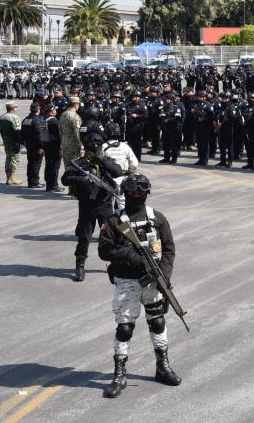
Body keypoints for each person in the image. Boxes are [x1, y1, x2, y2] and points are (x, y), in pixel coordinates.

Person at [97, 173, 181, 397]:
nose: (138, 195)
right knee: (125, 328)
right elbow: (103, 250)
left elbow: (169, 249)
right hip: (127, 281)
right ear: (126, 193)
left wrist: (164, 274)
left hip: (153, 282)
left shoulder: (158, 219)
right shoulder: (115, 221)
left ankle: (162, 367)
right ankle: (120, 373)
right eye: (134, 191)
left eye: (142, 191)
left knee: (158, 322)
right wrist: (127, 254)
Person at [61, 133, 124, 282]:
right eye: (93, 142)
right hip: (86, 205)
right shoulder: (81, 163)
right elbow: (65, 179)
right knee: (84, 237)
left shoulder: (105, 161)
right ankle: (80, 266)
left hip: (105, 204)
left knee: (111, 237)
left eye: (98, 143)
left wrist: (101, 159)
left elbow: (118, 172)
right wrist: (82, 179)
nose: (96, 145)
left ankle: (115, 265)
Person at [102, 123, 139, 211]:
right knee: (122, 204)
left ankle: (110, 222)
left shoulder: (103, 147)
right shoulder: (125, 146)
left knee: (108, 204)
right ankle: (123, 222)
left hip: (108, 179)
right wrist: (128, 174)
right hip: (123, 178)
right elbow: (134, 163)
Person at [59, 96, 84, 192]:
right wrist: (81, 146)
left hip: (65, 143)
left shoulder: (63, 115)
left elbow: (60, 131)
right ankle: (75, 190)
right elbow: (77, 133)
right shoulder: (74, 116)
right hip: (74, 145)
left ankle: (71, 189)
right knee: (76, 167)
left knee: (67, 167)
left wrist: (62, 144)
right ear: (76, 105)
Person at [40, 105, 65, 193]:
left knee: (48, 166)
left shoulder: (43, 119)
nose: (56, 111)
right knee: (55, 167)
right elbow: (59, 136)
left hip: (46, 145)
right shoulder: (54, 121)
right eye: (54, 110)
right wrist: (60, 148)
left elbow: (42, 135)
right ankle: (54, 185)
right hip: (54, 146)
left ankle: (49, 185)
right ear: (52, 111)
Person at [21, 104, 44, 188]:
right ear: (38, 109)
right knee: (36, 163)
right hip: (36, 145)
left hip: (28, 144)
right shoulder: (38, 120)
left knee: (30, 163)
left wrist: (23, 143)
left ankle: (30, 181)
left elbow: (22, 132)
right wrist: (41, 146)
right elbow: (39, 134)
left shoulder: (26, 119)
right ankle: (34, 182)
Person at [0, 101, 22, 185]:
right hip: (13, 141)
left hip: (6, 140)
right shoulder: (15, 117)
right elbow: (17, 131)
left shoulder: (2, 117)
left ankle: (8, 178)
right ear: (13, 108)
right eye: (16, 107)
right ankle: (11, 178)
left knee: (8, 158)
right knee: (14, 159)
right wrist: (19, 142)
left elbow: (1, 130)